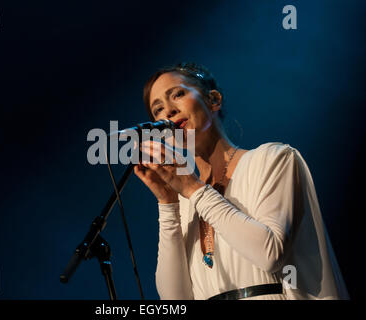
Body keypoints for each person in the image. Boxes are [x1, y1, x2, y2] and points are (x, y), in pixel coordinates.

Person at [133, 62, 349, 300]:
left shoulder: (273, 159)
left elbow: (269, 254)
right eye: (157, 110)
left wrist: (193, 189)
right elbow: (174, 299)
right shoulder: (184, 201)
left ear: (214, 100)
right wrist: (167, 203)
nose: (168, 112)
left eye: (178, 94)